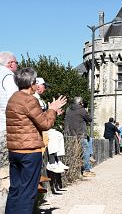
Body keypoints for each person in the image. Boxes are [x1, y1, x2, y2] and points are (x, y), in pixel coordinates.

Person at [5, 67, 66, 214]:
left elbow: (30, 120)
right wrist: (52, 109)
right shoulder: (30, 100)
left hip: (14, 151)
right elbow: (45, 124)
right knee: (27, 192)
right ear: (32, 83)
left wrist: (49, 111)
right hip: (29, 153)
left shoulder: (14, 98)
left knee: (15, 190)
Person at [64, 97, 94, 177]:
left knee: (74, 152)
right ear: (81, 103)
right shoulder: (82, 110)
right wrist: (86, 110)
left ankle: (73, 169)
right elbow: (90, 119)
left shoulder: (68, 109)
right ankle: (86, 170)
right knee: (85, 150)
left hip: (70, 135)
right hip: (80, 135)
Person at [0, 51, 19, 135]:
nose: (17, 65)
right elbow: (14, 102)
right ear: (10, 64)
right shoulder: (9, 76)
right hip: (5, 126)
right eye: (16, 63)